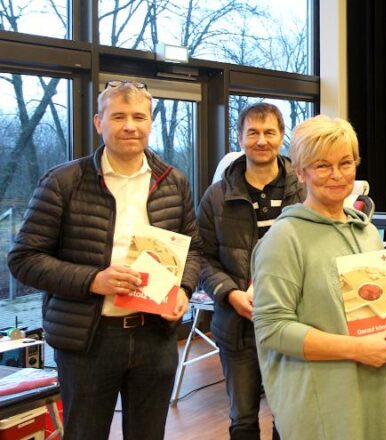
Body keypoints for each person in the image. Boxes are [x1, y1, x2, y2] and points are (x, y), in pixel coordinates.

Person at [8, 80, 201, 440]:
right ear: (99, 122)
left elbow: (195, 250)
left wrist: (185, 290)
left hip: (155, 337)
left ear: (150, 122)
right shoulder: (63, 182)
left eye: (139, 116)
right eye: (119, 116)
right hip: (89, 340)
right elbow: (24, 259)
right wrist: (93, 280)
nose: (130, 125)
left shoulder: (174, 182)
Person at [250, 115, 386, 440]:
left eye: (345, 163)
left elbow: (376, 311)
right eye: (322, 165)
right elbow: (272, 329)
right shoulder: (284, 238)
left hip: (376, 391)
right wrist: (357, 349)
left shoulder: (367, 232)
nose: (337, 175)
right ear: (300, 172)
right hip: (321, 404)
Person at [198, 103, 304, 440]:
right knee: (242, 419)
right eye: (253, 133)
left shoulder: (304, 190)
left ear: (281, 136)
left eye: (269, 132)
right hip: (236, 324)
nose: (261, 140)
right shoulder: (216, 197)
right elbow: (200, 256)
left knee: (287, 417)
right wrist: (230, 294)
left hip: (295, 322)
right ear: (240, 138)